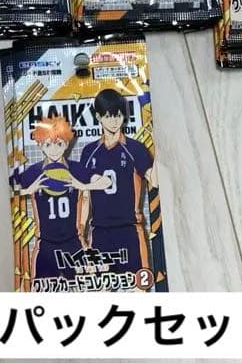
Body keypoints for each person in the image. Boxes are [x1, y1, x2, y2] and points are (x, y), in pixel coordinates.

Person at [14, 117, 108, 284]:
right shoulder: (34, 172)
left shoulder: (75, 169)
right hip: (45, 244)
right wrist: (27, 190)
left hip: (73, 242)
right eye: (48, 144)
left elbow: (106, 181)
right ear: (40, 145)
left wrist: (83, 185)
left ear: (66, 143)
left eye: (59, 144)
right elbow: (6, 190)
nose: (54, 150)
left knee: (83, 288)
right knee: (43, 290)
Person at [80, 89, 153, 275]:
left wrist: (160, 143)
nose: (114, 121)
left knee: (137, 286)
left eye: (118, 115)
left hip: (129, 231)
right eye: (108, 116)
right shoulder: (89, 152)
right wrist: (80, 234)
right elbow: (85, 197)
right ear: (99, 117)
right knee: (100, 287)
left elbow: (155, 179)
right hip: (99, 233)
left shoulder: (135, 149)